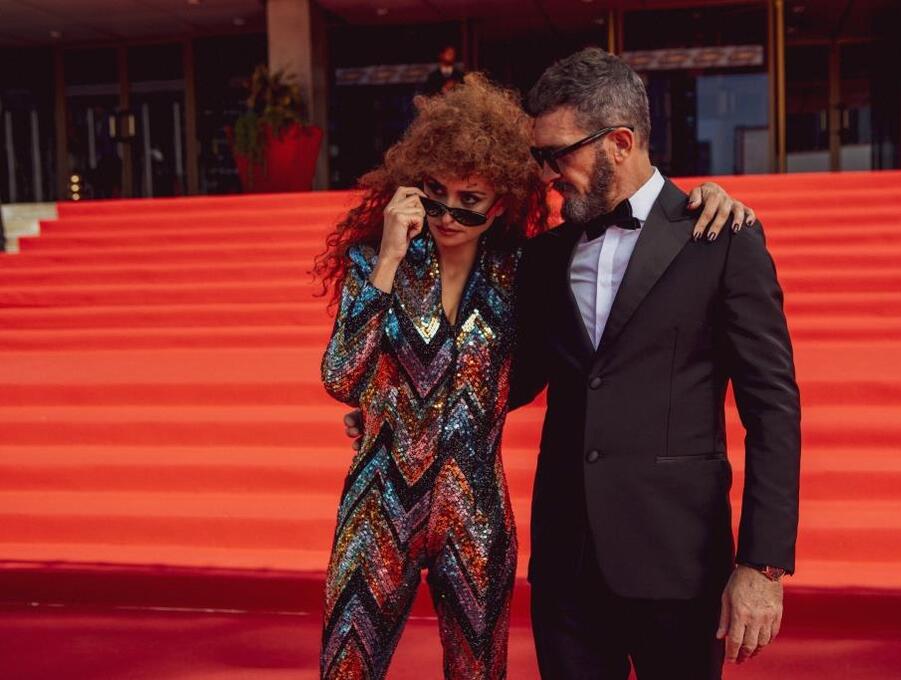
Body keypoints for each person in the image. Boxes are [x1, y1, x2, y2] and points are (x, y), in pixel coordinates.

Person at [316, 73, 754, 679]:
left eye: (469, 200)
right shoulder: (377, 262)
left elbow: (529, 375)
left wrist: (708, 198)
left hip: (476, 514)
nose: (447, 213)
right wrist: (388, 260)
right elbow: (342, 376)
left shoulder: (522, 272)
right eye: (434, 193)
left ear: (499, 203)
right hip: (377, 507)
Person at [510, 47, 801, 679]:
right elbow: (508, 381)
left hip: (678, 562)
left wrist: (763, 565)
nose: (546, 174)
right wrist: (398, 404)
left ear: (619, 142)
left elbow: (773, 410)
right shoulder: (544, 256)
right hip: (566, 566)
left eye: (557, 154)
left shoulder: (721, 239)